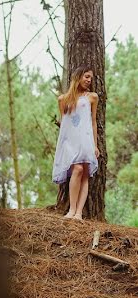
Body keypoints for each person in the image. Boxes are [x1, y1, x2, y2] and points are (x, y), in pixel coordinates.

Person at [52, 65, 100, 220]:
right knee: (77, 169)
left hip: (86, 140)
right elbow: (66, 124)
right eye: (86, 76)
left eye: (91, 78)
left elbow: (93, 122)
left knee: (84, 173)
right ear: (78, 77)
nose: (89, 80)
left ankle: (79, 213)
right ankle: (71, 210)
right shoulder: (63, 99)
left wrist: (95, 145)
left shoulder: (92, 97)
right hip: (71, 142)